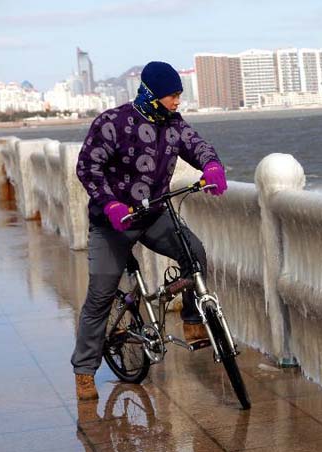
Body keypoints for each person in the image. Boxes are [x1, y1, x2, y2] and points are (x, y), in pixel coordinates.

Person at [72, 61, 227, 401]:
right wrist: (111, 204)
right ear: (153, 94)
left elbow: (197, 146)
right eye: (172, 95)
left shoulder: (173, 124)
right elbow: (88, 167)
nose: (177, 102)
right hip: (112, 222)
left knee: (195, 253)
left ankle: (191, 318)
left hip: (154, 214)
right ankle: (84, 370)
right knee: (100, 297)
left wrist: (212, 166)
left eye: (178, 95)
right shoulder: (113, 123)